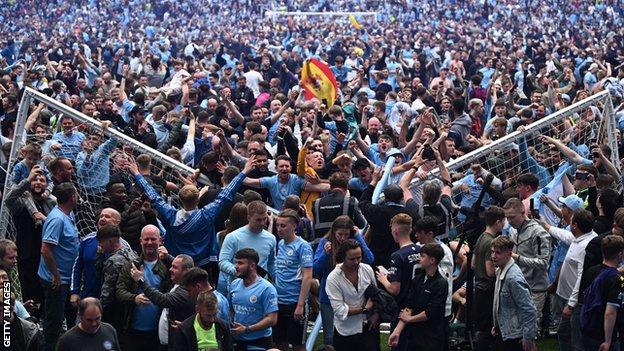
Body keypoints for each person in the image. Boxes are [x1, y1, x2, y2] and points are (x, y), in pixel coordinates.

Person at [128, 153, 256, 271]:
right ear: (198, 199)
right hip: (203, 264)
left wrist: (137, 174)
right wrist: (244, 171)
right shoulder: (207, 214)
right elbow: (227, 193)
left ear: (181, 199)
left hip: (177, 264)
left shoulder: (171, 215)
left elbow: (153, 195)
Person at [313, 216, 375, 346]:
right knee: (330, 337)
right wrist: (325, 254)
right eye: (339, 234)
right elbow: (316, 268)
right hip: (328, 298)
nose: (342, 238)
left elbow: (369, 259)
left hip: (352, 296)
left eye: (346, 234)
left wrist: (358, 237)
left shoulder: (354, 244)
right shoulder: (325, 242)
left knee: (358, 335)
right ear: (334, 231)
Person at [38, 182, 79, 351]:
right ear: (73, 198)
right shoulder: (57, 219)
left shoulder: (68, 215)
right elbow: (45, 249)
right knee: (53, 322)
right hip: (56, 281)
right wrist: (55, 275)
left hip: (66, 279)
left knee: (67, 317)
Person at [115, 225, 171, 351]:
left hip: (158, 330)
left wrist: (168, 257)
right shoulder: (132, 265)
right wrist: (134, 298)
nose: (149, 243)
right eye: (146, 239)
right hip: (133, 329)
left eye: (153, 239)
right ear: (140, 241)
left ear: (160, 240)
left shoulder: (167, 267)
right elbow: (119, 290)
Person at [388, 243, 448, 351]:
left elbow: (431, 312)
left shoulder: (441, 283)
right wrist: (397, 332)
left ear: (432, 260)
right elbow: (409, 307)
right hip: (414, 337)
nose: (419, 259)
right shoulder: (417, 279)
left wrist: (410, 319)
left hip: (431, 339)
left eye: (423, 256)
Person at [504, 198, 551, 330]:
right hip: (517, 285)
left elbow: (543, 262)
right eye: (507, 218)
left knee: (529, 329)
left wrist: (517, 258)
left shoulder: (538, 232)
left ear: (523, 212)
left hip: (535, 289)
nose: (509, 221)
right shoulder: (512, 231)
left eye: (512, 217)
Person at [130, 253, 196, 347]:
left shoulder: (186, 291)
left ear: (186, 272)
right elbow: (183, 264)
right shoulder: (178, 282)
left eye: (174, 267)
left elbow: (163, 300)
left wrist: (141, 281)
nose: (170, 269)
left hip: (177, 345)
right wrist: (167, 257)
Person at [326, 239, 380, 351]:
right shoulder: (333, 278)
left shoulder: (367, 269)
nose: (356, 262)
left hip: (369, 327)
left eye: (359, 258)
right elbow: (340, 311)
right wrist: (364, 309)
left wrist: (376, 314)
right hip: (346, 332)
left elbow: (375, 294)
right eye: (352, 259)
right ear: (342, 258)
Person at [273, 209, 314, 351]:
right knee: (280, 342)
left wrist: (300, 305)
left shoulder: (303, 246)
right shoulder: (280, 244)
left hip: (295, 302)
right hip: (279, 302)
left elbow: (307, 276)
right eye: (277, 225)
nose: (279, 229)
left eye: (283, 226)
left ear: (294, 226)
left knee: (298, 344)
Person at [491, 236, 537, 351]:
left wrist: (528, 337)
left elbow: (529, 309)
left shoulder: (513, 278)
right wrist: (497, 325)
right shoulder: (500, 270)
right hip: (504, 332)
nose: (493, 256)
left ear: (509, 254)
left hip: (515, 336)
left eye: (498, 253)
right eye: (492, 252)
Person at [579, 235, 624, 351]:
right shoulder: (616, 279)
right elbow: (610, 312)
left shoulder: (591, 271)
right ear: (620, 254)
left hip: (588, 329)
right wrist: (608, 341)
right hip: (604, 335)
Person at [219, 201, 276, 289]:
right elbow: (223, 262)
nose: (262, 223)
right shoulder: (233, 237)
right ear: (248, 217)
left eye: (264, 219)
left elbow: (271, 263)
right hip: (238, 288)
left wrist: (275, 281)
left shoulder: (271, 238)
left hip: (261, 289)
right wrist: (240, 270)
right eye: (258, 220)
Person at [229, 248, 278, 351]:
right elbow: (232, 309)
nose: (236, 266)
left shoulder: (267, 289)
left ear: (252, 266)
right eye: (236, 262)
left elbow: (272, 319)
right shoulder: (234, 285)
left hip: (259, 341)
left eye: (240, 263)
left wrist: (247, 329)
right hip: (237, 339)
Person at [472, 206, 506, 351]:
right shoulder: (491, 242)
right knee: (488, 329)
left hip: (478, 288)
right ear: (498, 222)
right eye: (503, 221)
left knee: (482, 327)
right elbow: (490, 271)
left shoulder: (481, 237)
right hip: (488, 290)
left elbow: (473, 264)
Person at [96, 223, 137, 330]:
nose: (100, 246)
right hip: (130, 306)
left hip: (115, 309)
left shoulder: (113, 262)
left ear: (110, 241)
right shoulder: (132, 253)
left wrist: (99, 311)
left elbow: (107, 292)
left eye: (101, 242)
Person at [312, 171, 367, 240]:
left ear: (331, 187)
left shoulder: (316, 203)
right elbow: (362, 224)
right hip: (344, 246)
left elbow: (313, 229)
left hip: (321, 246)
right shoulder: (351, 201)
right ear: (347, 187)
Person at [56, 298, 121, 351]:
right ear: (80, 317)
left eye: (97, 318)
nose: (94, 324)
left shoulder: (109, 330)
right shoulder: (67, 341)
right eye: (89, 320)